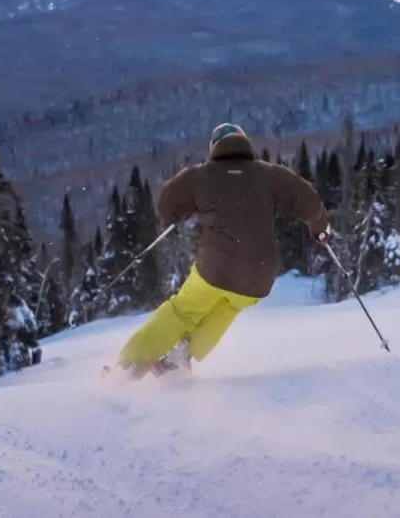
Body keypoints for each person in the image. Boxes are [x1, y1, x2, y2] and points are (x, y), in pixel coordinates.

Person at [117, 122, 330, 376]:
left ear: (214, 148)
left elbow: (165, 206)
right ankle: (181, 358)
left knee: (182, 312)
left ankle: (128, 365)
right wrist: (320, 228)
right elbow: (310, 202)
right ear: (245, 143)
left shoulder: (199, 176)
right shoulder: (271, 174)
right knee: (228, 307)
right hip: (259, 275)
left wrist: (189, 209)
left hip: (216, 269)